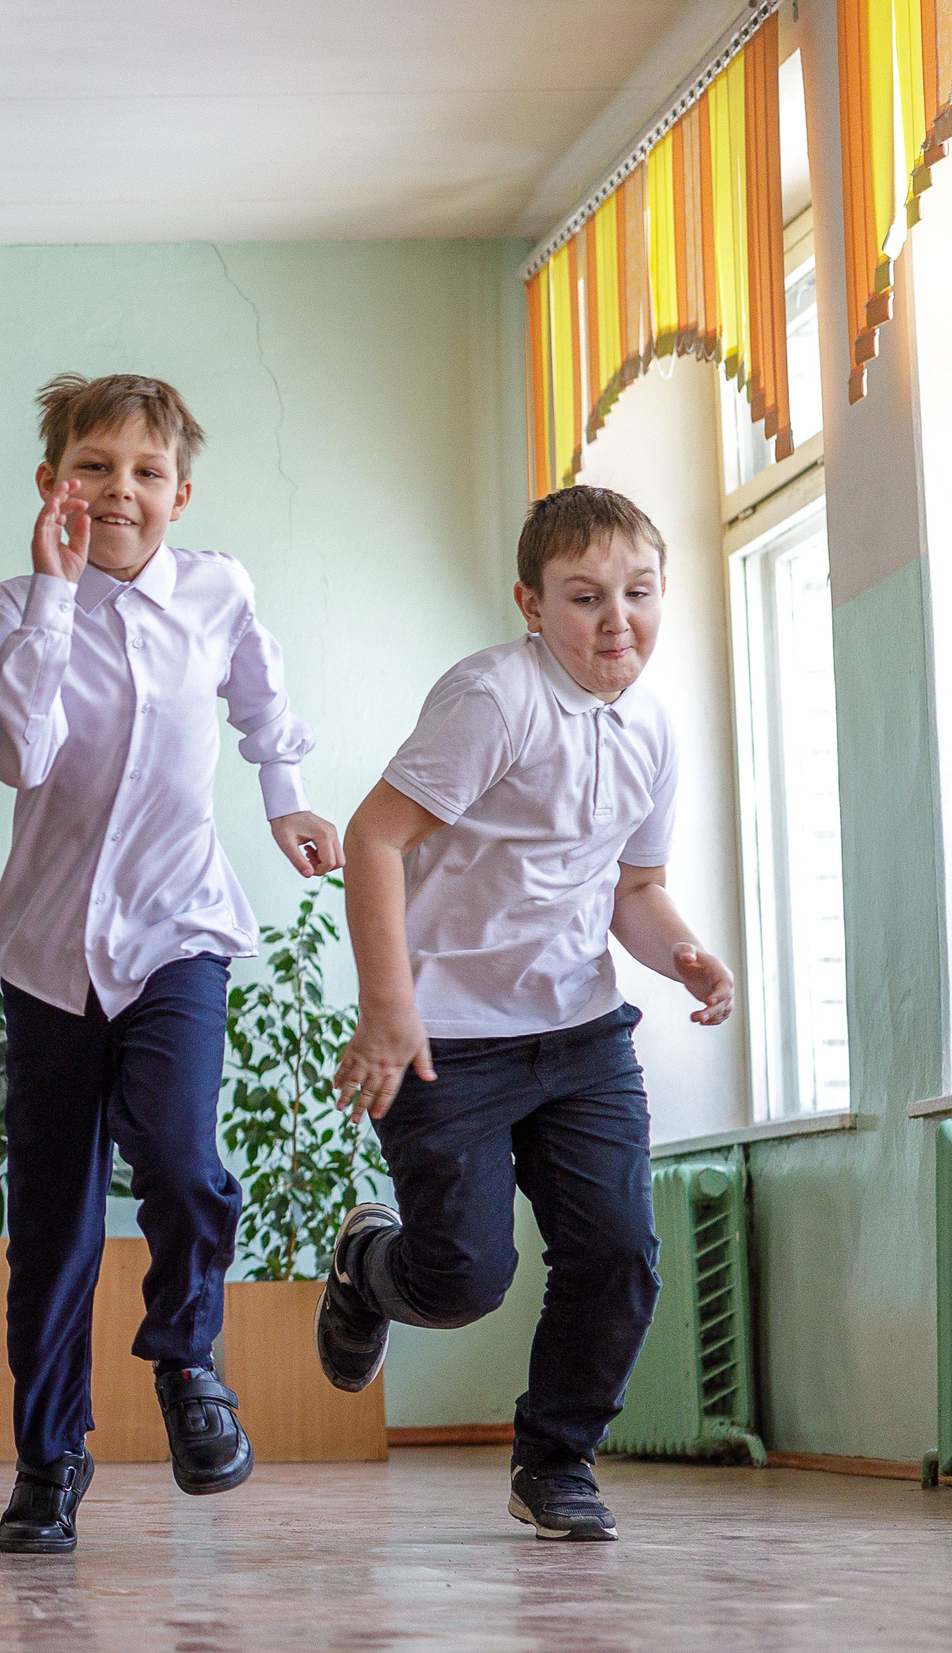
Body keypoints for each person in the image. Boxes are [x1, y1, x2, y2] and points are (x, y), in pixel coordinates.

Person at [320, 483, 735, 1542]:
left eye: (637, 594)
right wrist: (387, 1011)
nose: (616, 621)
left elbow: (631, 890)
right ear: (531, 603)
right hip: (449, 1036)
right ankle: (369, 1263)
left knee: (618, 1255)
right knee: (461, 1280)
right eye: (585, 596)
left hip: (581, 1032)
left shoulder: (650, 728)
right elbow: (374, 838)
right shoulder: (493, 700)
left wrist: (680, 953)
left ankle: (555, 1466)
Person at [0, 374, 339, 1555]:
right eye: (91, 466)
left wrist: (286, 804)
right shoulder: (9, 609)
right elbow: (17, 757)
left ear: (180, 492)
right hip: (48, 953)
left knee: (181, 1160)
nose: (117, 490)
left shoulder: (218, 590)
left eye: (143, 472)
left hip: (178, 931)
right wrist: (50, 600)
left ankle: (186, 1363)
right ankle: (48, 1463)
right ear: (51, 485)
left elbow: (263, 708)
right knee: (54, 1232)